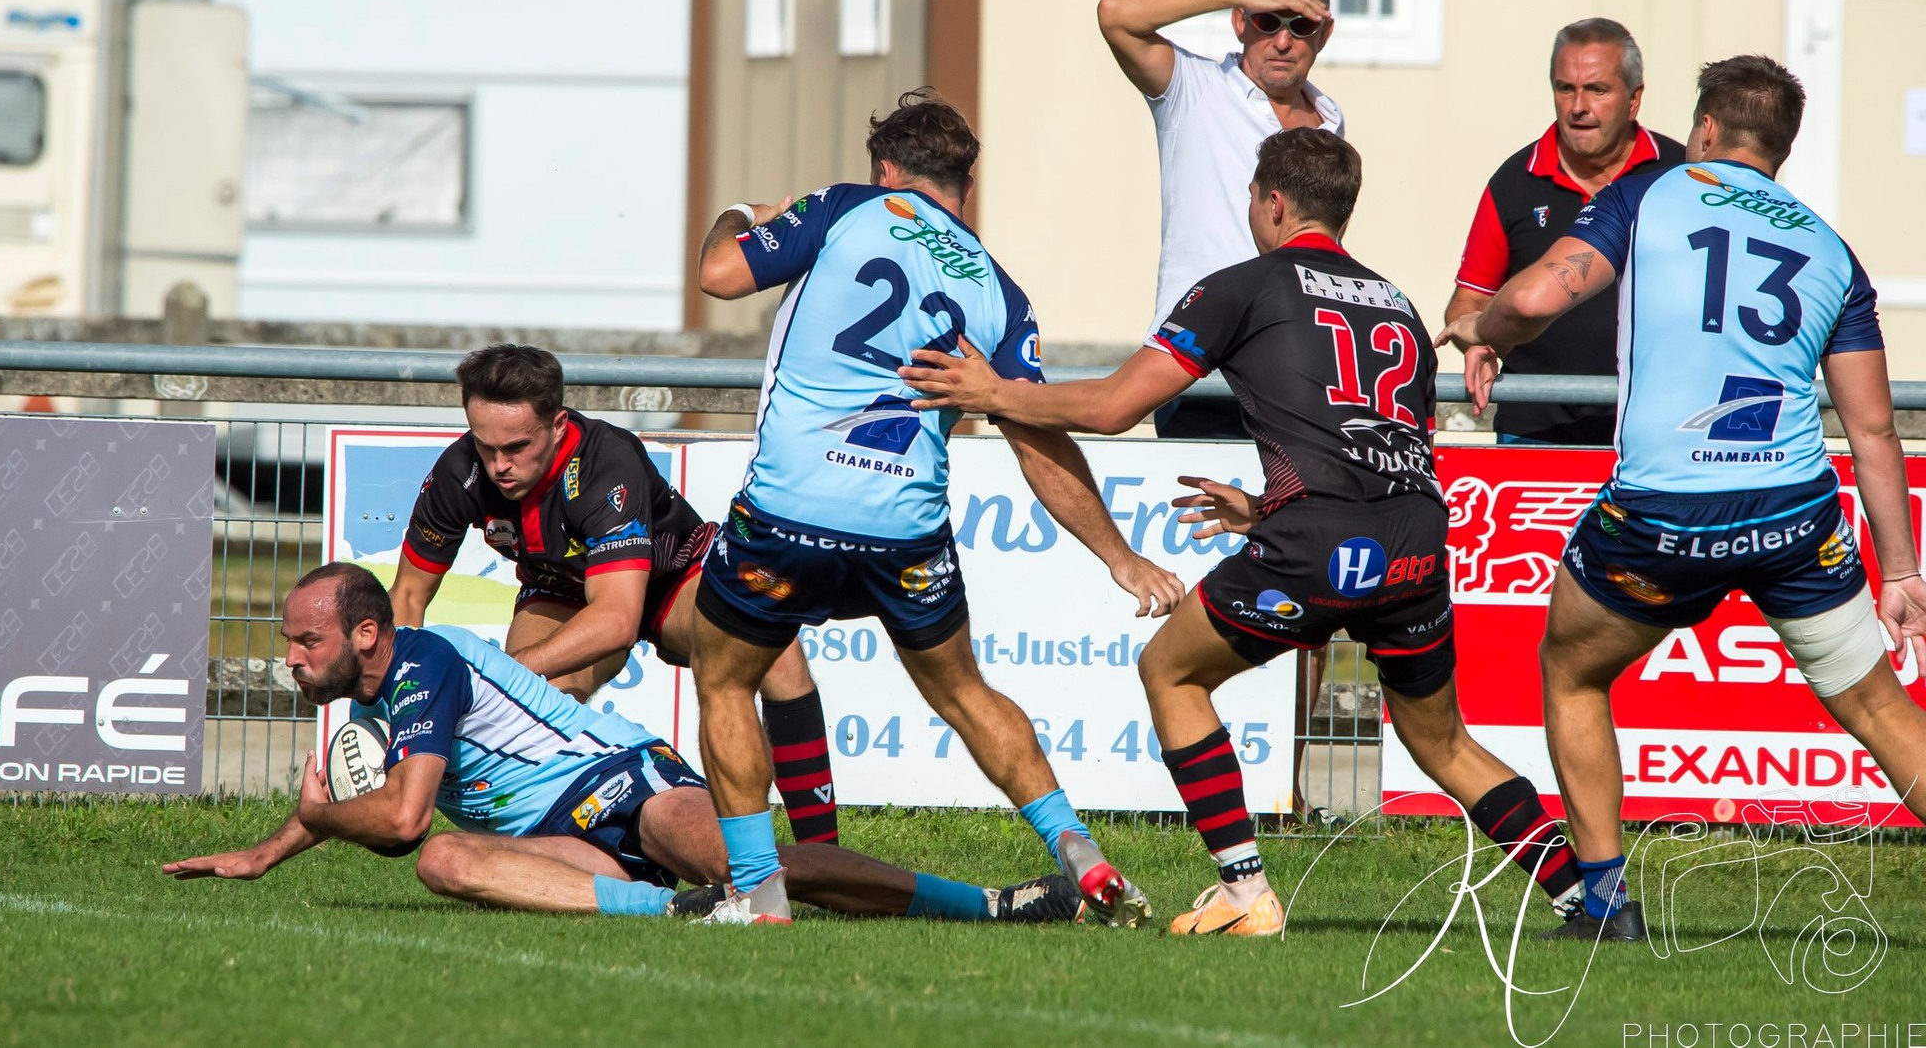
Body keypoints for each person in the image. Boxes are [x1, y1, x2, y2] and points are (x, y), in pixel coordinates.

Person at [902, 129, 1598, 939]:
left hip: (1319, 538)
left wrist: (998, 391)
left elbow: (1113, 407)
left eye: (1250, 201)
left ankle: (1242, 889)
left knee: (1170, 670)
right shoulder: (1398, 305)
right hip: (1413, 533)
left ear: (1272, 202)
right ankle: (1581, 893)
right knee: (1441, 738)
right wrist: (1268, 508)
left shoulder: (1244, 285)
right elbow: (1376, 451)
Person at [1438, 56, 1926, 939]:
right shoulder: (1828, 248)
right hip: (1793, 514)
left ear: (1704, 129)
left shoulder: (1653, 191)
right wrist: (1900, 568)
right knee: (1881, 709)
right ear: (1781, 148)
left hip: (1665, 514)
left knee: (1574, 669)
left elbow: (1544, 291)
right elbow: (1875, 429)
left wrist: (1483, 325)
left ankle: (1607, 901)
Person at [688, 88, 1184, 926]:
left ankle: (756, 893)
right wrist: (1120, 555)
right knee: (963, 691)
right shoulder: (999, 287)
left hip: (792, 507)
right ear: (966, 185)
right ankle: (1083, 855)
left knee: (725, 675)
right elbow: (1037, 439)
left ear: (887, 170)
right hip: (904, 525)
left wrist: (747, 212)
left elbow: (720, 273)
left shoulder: (845, 208)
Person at [164, 564, 1085, 925]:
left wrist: (316, 814)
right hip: (555, 834)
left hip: (622, 784)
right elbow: (406, 822)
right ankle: (676, 916)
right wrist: (268, 851)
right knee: (448, 858)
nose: (290, 659)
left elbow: (397, 814)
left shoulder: (424, 662)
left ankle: (990, 904)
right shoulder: (377, 692)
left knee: (755, 869)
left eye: (304, 642)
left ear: (365, 635)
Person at [389, 344, 841, 846]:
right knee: (532, 710)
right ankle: (564, 854)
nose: (499, 465)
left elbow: (617, 620)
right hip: (562, 589)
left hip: (673, 576)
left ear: (558, 424)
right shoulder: (458, 472)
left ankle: (822, 853)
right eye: (485, 446)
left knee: (775, 648)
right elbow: (406, 598)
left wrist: (502, 675)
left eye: (517, 447)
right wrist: (393, 705)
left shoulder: (607, 460)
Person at [1097, 0, 1339, 438]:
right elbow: (1115, 13)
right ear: (1239, 22)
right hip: (1198, 364)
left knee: (1288, 514)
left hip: (1293, 367)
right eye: (1268, 20)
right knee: (1199, 513)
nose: (1284, 40)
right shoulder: (1194, 86)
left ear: (1324, 34)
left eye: (1302, 24)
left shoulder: (1331, 121)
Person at [1444, 19, 1685, 444]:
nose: (1578, 106)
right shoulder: (1515, 181)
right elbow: (1468, 302)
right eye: (1565, 88)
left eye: (1597, 89)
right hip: (1536, 431)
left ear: (1634, 99)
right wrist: (1479, 343)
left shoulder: (1680, 175)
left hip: (1656, 435)